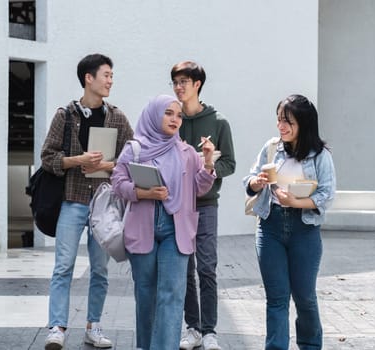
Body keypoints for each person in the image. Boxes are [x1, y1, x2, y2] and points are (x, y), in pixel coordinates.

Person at [42, 53, 133, 350]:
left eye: (111, 75)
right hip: (72, 200)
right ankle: (57, 327)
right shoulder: (65, 115)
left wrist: (106, 166)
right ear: (88, 78)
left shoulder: (117, 117)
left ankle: (93, 327)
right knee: (63, 266)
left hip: (105, 204)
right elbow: (47, 158)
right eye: (106, 75)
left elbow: (134, 158)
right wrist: (76, 160)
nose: (110, 80)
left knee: (100, 269)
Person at [111, 94, 216, 350]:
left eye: (179, 115)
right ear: (154, 115)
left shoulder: (187, 152)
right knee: (146, 295)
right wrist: (144, 193)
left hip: (176, 230)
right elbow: (117, 182)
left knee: (172, 295)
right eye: (169, 113)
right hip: (142, 228)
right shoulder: (135, 148)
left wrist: (209, 162)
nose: (175, 119)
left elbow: (199, 187)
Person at [242, 94, 336, 350]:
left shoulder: (320, 156)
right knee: (277, 299)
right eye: (279, 120)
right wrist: (256, 182)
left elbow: (326, 195)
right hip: (269, 227)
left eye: (288, 121)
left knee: (304, 298)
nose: (281, 126)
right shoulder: (272, 147)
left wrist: (294, 202)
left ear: (304, 124)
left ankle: (309, 345)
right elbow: (248, 181)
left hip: (303, 230)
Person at [170, 61, 236, 350]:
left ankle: (210, 332)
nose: (178, 87)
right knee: (184, 269)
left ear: (197, 84)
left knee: (207, 268)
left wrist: (206, 166)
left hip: (207, 204)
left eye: (184, 81)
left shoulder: (219, 121)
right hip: (177, 206)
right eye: (175, 82)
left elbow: (229, 163)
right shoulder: (172, 119)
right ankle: (193, 328)